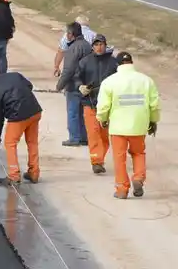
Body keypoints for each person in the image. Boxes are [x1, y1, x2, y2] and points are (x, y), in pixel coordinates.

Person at [96, 52, 160, 199]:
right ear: (131, 63)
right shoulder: (146, 81)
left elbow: (103, 106)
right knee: (138, 153)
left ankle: (122, 189)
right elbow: (154, 105)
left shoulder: (109, 81)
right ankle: (138, 178)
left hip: (118, 128)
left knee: (119, 158)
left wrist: (102, 119)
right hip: (139, 125)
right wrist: (153, 121)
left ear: (117, 65)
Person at [0, 69, 43, 186]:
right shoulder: (11, 75)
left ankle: (14, 176)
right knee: (32, 142)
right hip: (35, 110)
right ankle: (34, 173)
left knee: (10, 143)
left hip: (18, 116)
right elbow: (29, 85)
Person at [73, 34, 118, 174]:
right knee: (93, 134)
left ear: (105, 45)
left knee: (104, 136)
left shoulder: (113, 63)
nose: (99, 47)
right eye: (96, 44)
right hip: (89, 102)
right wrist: (80, 86)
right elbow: (76, 77)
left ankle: (100, 158)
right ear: (92, 46)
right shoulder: (85, 62)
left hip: (107, 105)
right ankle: (96, 162)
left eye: (101, 44)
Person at [56, 22, 92, 147]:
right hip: (87, 85)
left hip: (74, 85)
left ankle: (74, 138)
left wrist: (59, 85)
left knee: (73, 112)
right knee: (82, 113)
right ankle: (84, 137)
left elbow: (68, 70)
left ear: (71, 34)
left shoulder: (73, 48)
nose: (66, 35)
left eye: (67, 33)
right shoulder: (87, 46)